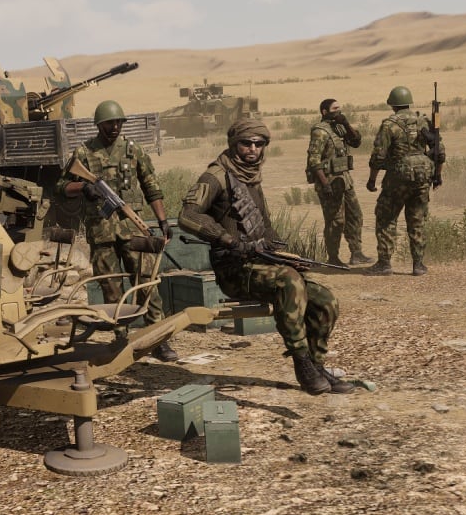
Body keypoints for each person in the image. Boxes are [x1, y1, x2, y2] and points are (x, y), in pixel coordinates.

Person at [177, 119, 353, 394]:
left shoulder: (252, 177)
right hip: (234, 270)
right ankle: (302, 363)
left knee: (325, 300)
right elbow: (188, 215)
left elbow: (266, 229)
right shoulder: (216, 176)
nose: (253, 149)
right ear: (234, 144)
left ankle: (316, 365)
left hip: (261, 264)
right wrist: (227, 239)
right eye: (246, 143)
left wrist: (285, 255)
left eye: (259, 144)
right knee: (289, 281)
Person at [58, 99, 176, 362]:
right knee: (111, 288)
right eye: (109, 123)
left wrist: (162, 220)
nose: (114, 127)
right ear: (98, 125)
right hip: (101, 233)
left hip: (133, 230)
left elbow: (151, 187)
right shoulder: (83, 153)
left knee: (146, 283)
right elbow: (61, 187)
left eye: (118, 123)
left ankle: (158, 339)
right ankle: (121, 340)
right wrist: (83, 188)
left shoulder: (134, 150)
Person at [364, 86, 446, 276]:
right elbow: (440, 153)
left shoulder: (389, 125)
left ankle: (384, 264)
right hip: (423, 177)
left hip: (397, 178)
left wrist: (372, 180)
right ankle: (418, 265)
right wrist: (437, 176)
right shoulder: (423, 121)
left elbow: (377, 157)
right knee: (417, 219)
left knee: (386, 218)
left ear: (392, 105)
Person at [306, 99, 372, 267]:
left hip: (345, 180)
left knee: (355, 215)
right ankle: (333, 258)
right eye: (335, 108)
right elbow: (313, 160)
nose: (339, 111)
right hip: (329, 181)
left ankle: (356, 253)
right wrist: (325, 184)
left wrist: (346, 124)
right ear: (324, 112)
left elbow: (356, 142)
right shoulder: (320, 131)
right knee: (335, 221)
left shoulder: (340, 128)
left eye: (339, 108)